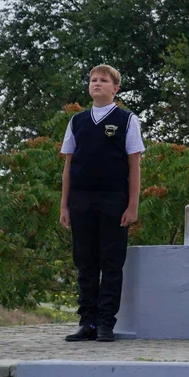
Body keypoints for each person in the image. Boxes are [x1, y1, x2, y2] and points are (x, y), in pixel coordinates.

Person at [59, 64, 144, 342]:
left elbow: (134, 164)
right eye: (93, 80)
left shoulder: (126, 119)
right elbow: (69, 164)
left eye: (103, 80)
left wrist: (132, 206)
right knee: (85, 262)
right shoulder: (77, 121)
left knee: (110, 263)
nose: (97, 83)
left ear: (115, 88)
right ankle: (88, 323)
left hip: (113, 201)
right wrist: (64, 206)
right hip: (81, 201)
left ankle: (106, 323)